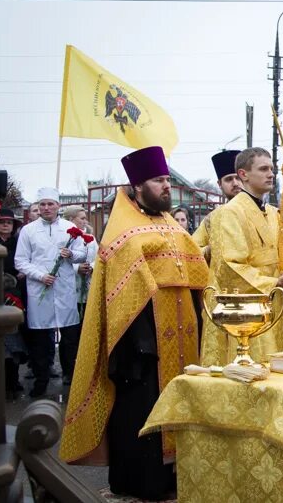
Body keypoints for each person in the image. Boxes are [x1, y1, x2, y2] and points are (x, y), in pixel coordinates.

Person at [60, 146, 208, 500]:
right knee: (140, 404)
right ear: (138, 186)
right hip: (140, 336)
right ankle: (140, 481)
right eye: (159, 181)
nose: (166, 187)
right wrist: (141, 340)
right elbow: (120, 288)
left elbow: (194, 272)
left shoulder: (169, 223)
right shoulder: (123, 228)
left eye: (168, 180)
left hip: (181, 326)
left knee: (179, 399)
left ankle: (175, 476)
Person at [200, 147, 283, 366]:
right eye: (263, 169)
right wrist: (276, 282)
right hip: (245, 314)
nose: (271, 174)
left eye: (272, 169)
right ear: (243, 175)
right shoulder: (229, 213)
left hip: (272, 304)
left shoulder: (272, 212)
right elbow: (230, 267)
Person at [15, 188, 86, 397]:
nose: (47, 208)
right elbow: (20, 260)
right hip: (40, 290)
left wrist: (71, 254)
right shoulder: (28, 231)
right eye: (43, 204)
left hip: (64, 290)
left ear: (58, 206)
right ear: (39, 206)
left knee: (70, 337)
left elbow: (82, 254)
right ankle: (41, 380)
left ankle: (71, 377)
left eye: (51, 204)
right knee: (40, 339)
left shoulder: (69, 227)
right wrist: (39, 275)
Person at [61, 205, 98, 385]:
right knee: (69, 334)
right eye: (81, 218)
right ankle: (68, 370)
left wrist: (91, 267)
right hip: (71, 290)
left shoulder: (91, 239)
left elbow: (98, 258)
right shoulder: (65, 236)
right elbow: (60, 261)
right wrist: (77, 268)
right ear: (71, 219)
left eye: (85, 218)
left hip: (87, 290)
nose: (85, 221)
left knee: (86, 331)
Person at [0, 208, 27, 398]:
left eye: (9, 222)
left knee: (15, 337)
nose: (6, 225)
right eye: (2, 222)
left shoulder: (18, 243)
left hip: (15, 296)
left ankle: (13, 381)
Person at [191, 149, 242, 254]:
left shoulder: (262, 212)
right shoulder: (212, 219)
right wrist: (211, 250)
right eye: (229, 179)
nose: (235, 183)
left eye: (238, 178)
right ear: (219, 184)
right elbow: (193, 250)